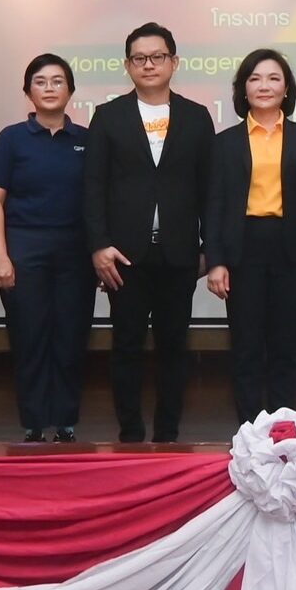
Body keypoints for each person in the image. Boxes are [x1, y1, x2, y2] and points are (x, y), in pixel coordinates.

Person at [85, 22, 215, 443]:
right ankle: (130, 433)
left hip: (179, 254)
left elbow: (210, 189)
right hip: (124, 255)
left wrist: (209, 249)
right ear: (128, 65)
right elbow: (93, 187)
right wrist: (99, 246)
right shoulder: (108, 116)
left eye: (157, 56)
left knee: (174, 347)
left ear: (174, 62)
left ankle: (167, 433)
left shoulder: (196, 117)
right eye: (139, 58)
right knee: (126, 346)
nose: (149, 65)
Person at [205, 49, 296, 425]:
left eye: (274, 78)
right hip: (242, 249)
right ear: (243, 88)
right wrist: (216, 261)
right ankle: (249, 432)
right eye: (255, 78)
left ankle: (282, 429)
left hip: (291, 249)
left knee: (285, 346)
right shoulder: (225, 142)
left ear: (286, 88)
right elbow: (214, 204)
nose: (264, 86)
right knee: (245, 347)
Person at [0, 54, 96, 443]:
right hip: (24, 250)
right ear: (28, 91)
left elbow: (100, 200)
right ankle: (33, 422)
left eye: (58, 81)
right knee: (29, 337)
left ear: (71, 90)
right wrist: (0, 256)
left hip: (76, 254)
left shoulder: (86, 140)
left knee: (71, 337)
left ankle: (65, 421)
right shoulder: (11, 138)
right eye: (41, 81)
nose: (49, 88)